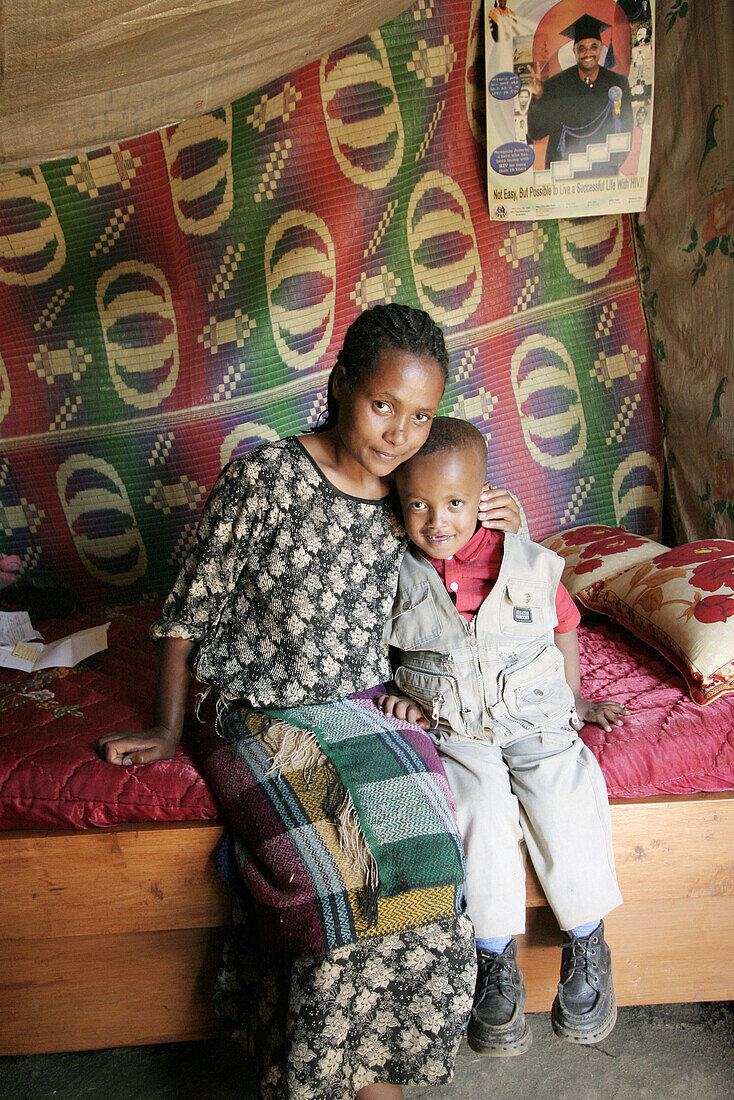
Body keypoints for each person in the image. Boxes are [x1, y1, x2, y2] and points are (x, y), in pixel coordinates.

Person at [98, 305, 521, 1100]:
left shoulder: (411, 497)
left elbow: (480, 557)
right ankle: (322, 1079)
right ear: (338, 387)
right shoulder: (265, 477)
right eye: (383, 404)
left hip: (356, 706)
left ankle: (384, 1078)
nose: (400, 432)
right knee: (334, 882)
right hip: (251, 709)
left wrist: (508, 520)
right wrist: (165, 725)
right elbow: (188, 609)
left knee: (426, 862)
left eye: (421, 415)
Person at [378, 417, 625, 1058]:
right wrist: (392, 696)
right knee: (478, 810)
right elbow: (374, 654)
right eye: (419, 505)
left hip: (536, 716)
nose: (438, 521)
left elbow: (563, 625)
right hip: (456, 727)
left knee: (564, 789)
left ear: (486, 495)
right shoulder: (392, 572)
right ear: (397, 502)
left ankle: (587, 939)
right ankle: (494, 960)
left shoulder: (523, 558)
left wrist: (574, 699)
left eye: (456, 503)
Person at [526, 14, 633, 175]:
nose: (587, 53)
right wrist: (538, 97)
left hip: (602, 173)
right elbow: (536, 132)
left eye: (593, 47)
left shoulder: (617, 84)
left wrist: (611, 166)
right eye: (581, 48)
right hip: (564, 175)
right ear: (574, 51)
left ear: (601, 48)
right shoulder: (555, 86)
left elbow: (627, 131)